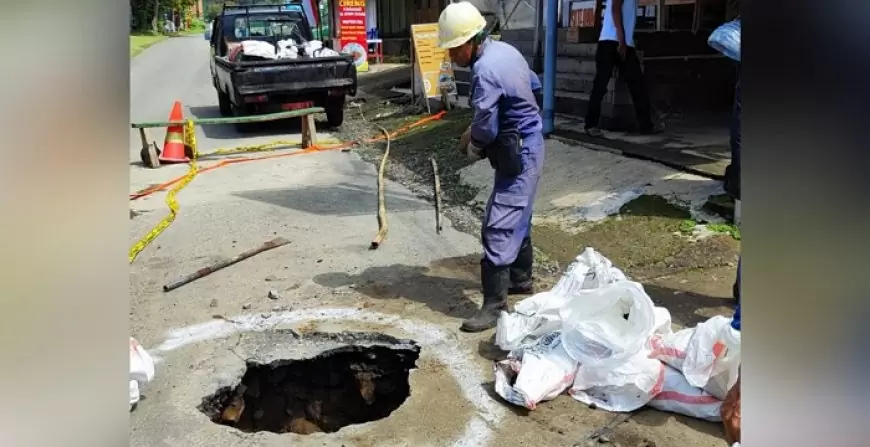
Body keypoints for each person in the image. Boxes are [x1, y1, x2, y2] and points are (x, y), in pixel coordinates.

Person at [438, 1, 545, 332]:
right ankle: (521, 279)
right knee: (518, 214)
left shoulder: (484, 71)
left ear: (469, 42)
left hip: (518, 149)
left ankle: (495, 306)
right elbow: (535, 87)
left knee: (498, 223)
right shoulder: (506, 51)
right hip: (529, 143)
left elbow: (485, 125)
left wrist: (473, 144)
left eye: (453, 49)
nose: (451, 56)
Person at [585, 0, 657, 136]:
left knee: (636, 85)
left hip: (620, 41)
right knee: (603, 84)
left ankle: (646, 125)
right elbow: (615, 8)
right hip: (613, 41)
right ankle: (591, 124)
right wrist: (622, 39)